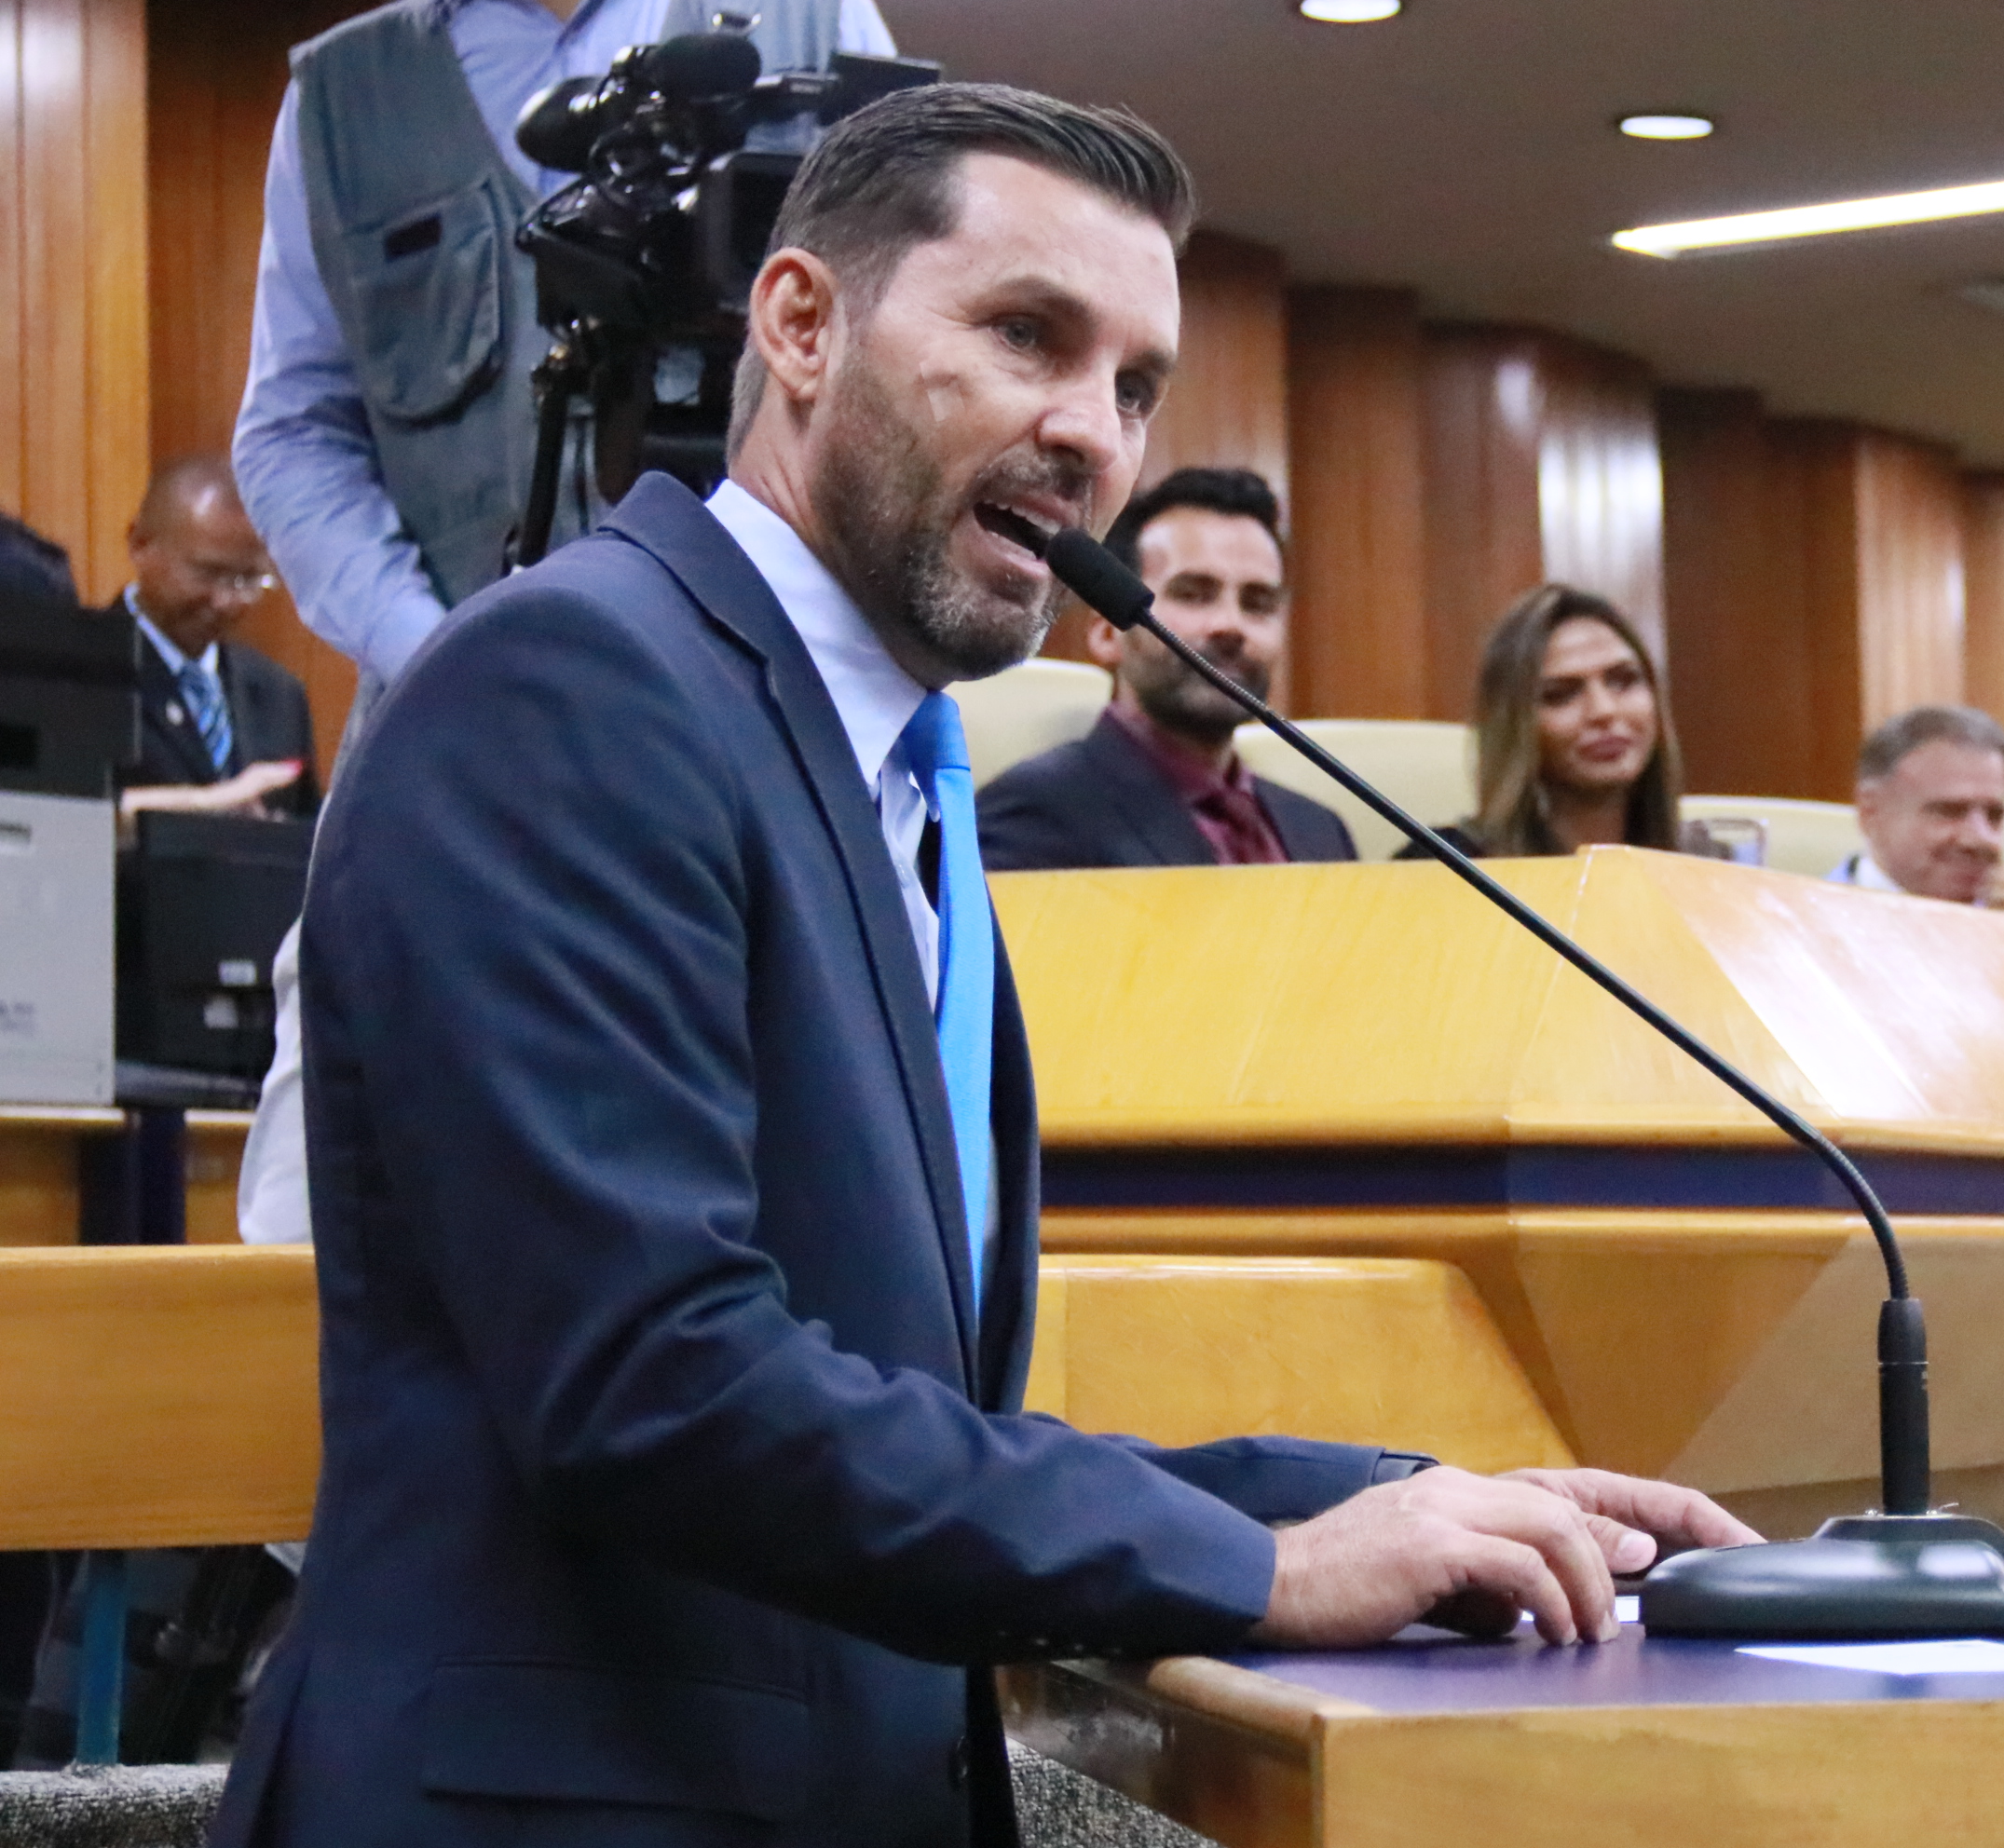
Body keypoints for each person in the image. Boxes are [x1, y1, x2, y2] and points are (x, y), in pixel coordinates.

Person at [210, 86, 1755, 1848]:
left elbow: (905, 1409)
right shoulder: (570, 688)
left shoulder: (891, 772)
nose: (1090, 433)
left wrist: (1397, 1501)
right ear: (802, 325)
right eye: (1027, 335)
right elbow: (657, 1381)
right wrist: (1262, 1570)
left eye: (1135, 385)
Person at [225, 0, 898, 1249]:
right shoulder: (341, 96)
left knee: (794, 1227)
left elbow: (912, 357)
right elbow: (291, 432)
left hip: (762, 744)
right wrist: (444, 656)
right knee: (312, 1243)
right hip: (434, 762)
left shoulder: (814, 18)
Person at [976, 467, 1355, 869]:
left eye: (1258, 603)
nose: (1231, 624)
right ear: (1107, 633)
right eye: (1193, 594)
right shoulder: (1032, 816)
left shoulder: (1321, 829)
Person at [105, 457, 318, 824]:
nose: (225, 601)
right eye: (208, 573)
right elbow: (49, 817)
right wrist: (205, 805)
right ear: (140, 544)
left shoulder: (278, 694)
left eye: (247, 580)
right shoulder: (77, 671)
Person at [1416, 584, 1681, 857]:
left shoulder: (1702, 860)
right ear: (1514, 726)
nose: (1604, 711)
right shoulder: (1443, 864)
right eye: (1560, 695)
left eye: (1624, 680)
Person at [1830, 704, 2004, 908]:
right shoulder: (1815, 919)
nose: (1980, 838)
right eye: (1949, 811)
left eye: (1994, 815)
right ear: (1871, 812)